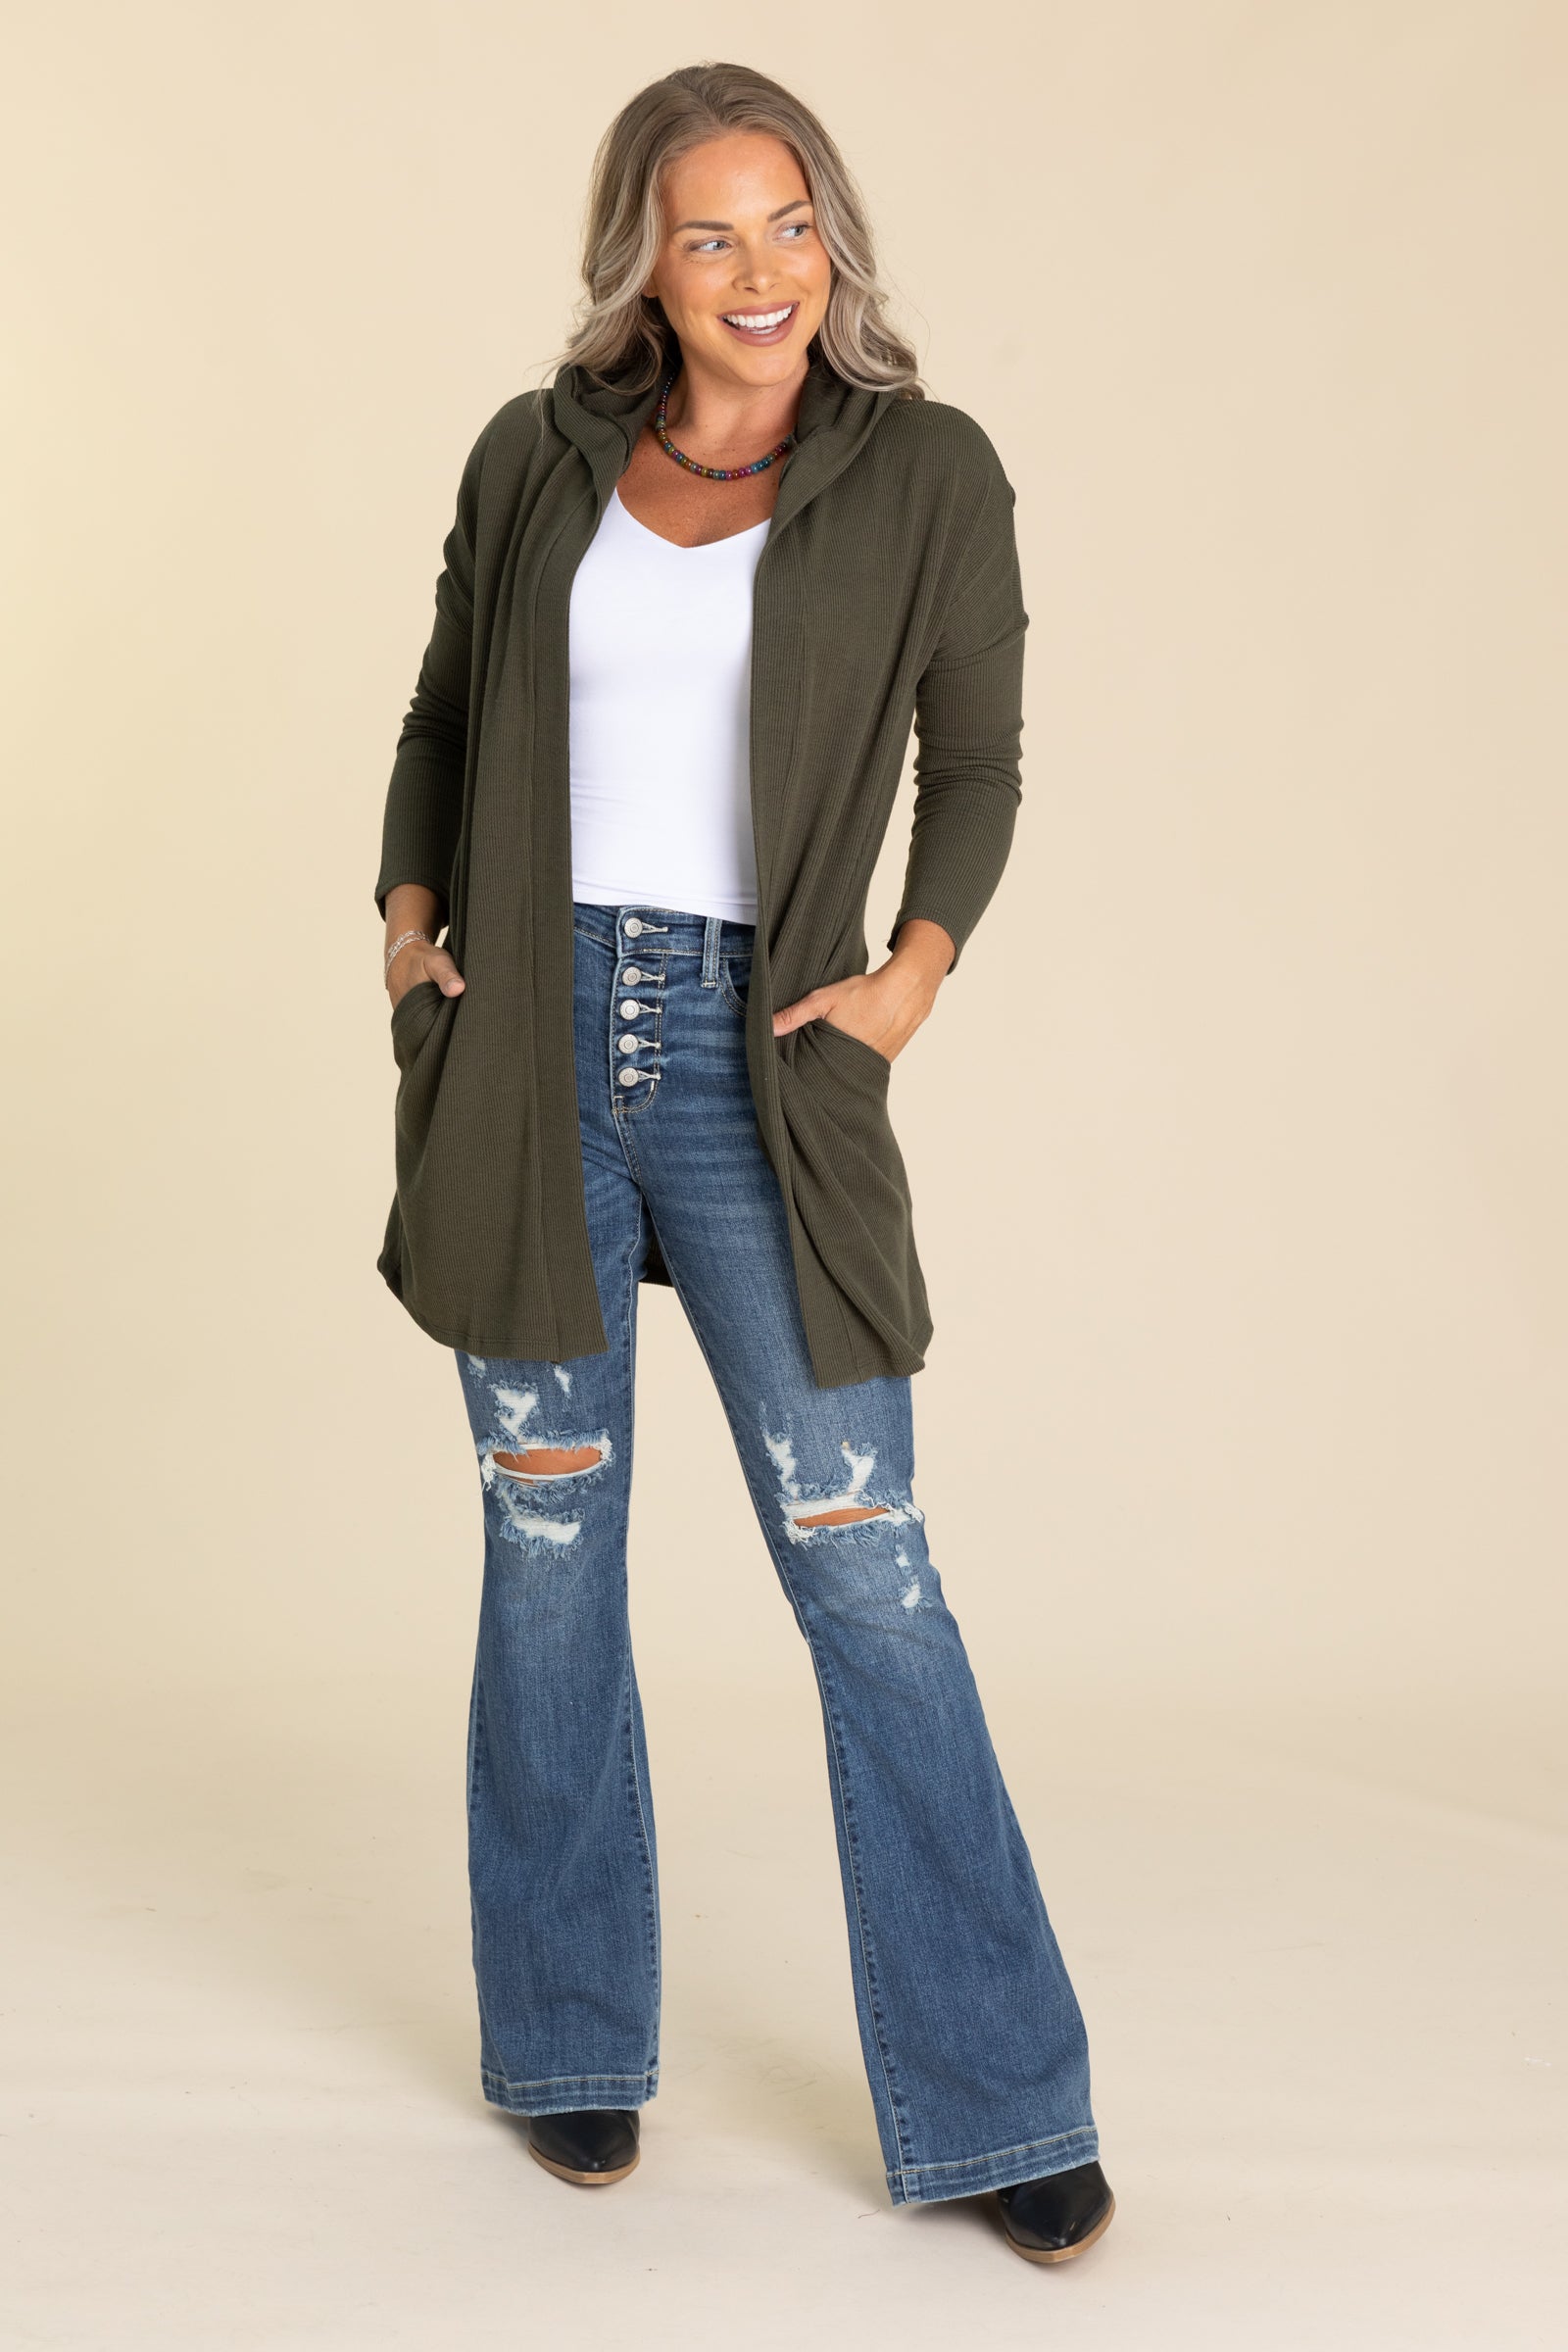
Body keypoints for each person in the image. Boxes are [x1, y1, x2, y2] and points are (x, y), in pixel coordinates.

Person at [375, 61, 1114, 2265]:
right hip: (529, 1046)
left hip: (754, 1054)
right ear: (646, 264)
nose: (760, 271)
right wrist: (410, 929)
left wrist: (908, 981)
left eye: (789, 223)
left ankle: (998, 2098)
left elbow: (980, 762)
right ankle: (568, 2044)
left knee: (864, 1559)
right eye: (709, 234)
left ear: (833, 239)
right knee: (547, 1551)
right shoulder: (535, 458)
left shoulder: (924, 472)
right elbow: (441, 708)